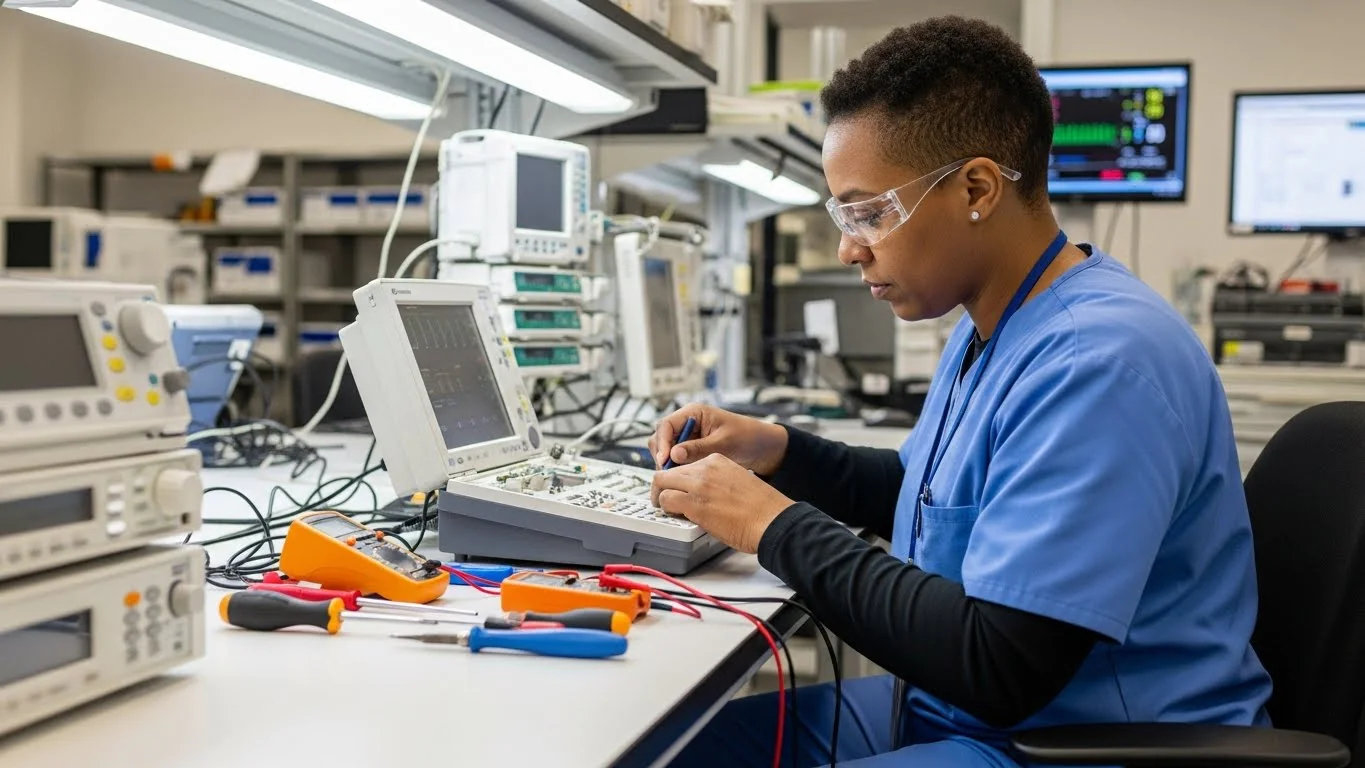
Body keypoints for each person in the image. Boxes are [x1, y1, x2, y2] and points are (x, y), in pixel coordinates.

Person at [650, 15, 1272, 768]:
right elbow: (927, 497)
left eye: (868, 211)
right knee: (678, 748)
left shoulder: (1097, 360)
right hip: (956, 713)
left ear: (976, 187)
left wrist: (770, 525)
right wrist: (778, 451)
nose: (850, 247)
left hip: (1080, 745)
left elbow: (1000, 662)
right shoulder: (993, 323)